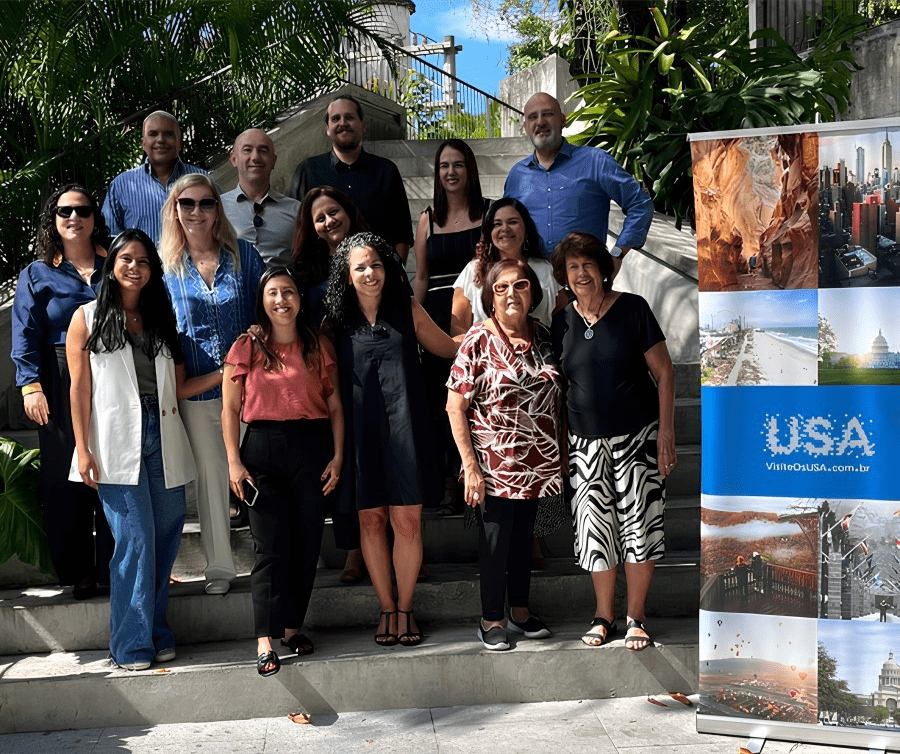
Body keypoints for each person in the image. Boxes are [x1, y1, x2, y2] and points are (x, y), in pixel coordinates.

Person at [66, 229, 197, 671]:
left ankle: (156, 630)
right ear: (112, 265)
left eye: (143, 261)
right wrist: (82, 449)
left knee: (163, 536)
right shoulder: (86, 318)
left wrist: (228, 371)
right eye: (126, 259)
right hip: (114, 440)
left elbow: (176, 388)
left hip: (162, 433)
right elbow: (79, 388)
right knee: (135, 540)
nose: (135, 267)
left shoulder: (160, 317)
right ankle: (130, 644)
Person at [324, 232, 457, 647]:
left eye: (377, 265)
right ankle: (385, 607)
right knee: (371, 520)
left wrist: (493, 329)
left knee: (406, 521)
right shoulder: (334, 322)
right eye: (360, 266)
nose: (370, 273)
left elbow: (449, 348)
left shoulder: (407, 307)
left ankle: (406, 608)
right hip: (360, 434)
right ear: (346, 275)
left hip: (406, 431)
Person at [550, 232, 675, 651]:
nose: (581, 273)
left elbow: (665, 373)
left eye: (588, 264)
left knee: (640, 527)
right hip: (584, 444)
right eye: (573, 267)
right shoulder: (562, 319)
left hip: (637, 437)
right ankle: (603, 615)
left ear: (603, 269)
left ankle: (635, 616)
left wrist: (666, 434)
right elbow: (561, 387)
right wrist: (564, 445)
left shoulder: (633, 309)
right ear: (564, 276)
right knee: (594, 532)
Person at [222, 267, 344, 676]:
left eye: (288, 292)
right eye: (272, 293)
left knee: (307, 542)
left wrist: (338, 456)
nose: (281, 300)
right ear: (263, 302)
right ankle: (264, 639)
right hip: (262, 453)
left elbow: (336, 407)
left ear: (299, 298)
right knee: (271, 548)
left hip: (311, 449)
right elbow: (230, 409)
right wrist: (233, 463)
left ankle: (292, 628)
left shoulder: (318, 345)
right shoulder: (247, 347)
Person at [446, 259, 563, 651]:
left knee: (522, 540)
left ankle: (520, 611)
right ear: (490, 298)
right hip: (493, 466)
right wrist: (469, 467)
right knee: (495, 544)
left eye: (521, 285)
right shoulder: (477, 340)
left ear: (533, 293)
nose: (512, 294)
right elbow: (454, 407)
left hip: (539, 464)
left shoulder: (545, 337)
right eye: (502, 288)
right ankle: (491, 619)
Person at [160, 173, 266, 596]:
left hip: (251, 389)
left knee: (258, 472)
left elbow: (268, 308)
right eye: (188, 203)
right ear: (175, 210)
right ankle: (219, 566)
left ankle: (270, 557)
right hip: (198, 389)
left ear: (218, 209)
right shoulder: (166, 268)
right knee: (209, 475)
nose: (197, 211)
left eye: (207, 203)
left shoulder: (243, 254)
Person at [11, 184, 114, 599]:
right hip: (57, 377)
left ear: (95, 217)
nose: (75, 218)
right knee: (65, 474)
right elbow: (25, 332)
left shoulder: (115, 263)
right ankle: (79, 570)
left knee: (114, 467)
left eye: (83, 210)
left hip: (113, 372)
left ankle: (116, 564)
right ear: (52, 220)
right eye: (65, 211)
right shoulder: (36, 274)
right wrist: (30, 385)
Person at [413, 139, 488, 516]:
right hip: (437, 320)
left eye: (458, 164)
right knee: (441, 400)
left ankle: (480, 476)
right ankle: (446, 479)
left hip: (478, 314)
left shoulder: (488, 213)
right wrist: (416, 322)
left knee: (476, 399)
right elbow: (423, 277)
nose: (451, 172)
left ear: (470, 170)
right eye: (444, 165)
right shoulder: (428, 217)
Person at [504, 93, 654, 277]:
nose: (540, 122)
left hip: (586, 280)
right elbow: (506, 225)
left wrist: (617, 254)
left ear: (563, 120)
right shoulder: (517, 176)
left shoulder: (595, 162)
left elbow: (640, 204)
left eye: (548, 114)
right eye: (532, 117)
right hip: (534, 283)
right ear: (526, 127)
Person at [291, 95, 413, 262]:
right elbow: (298, 231)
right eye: (336, 119)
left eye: (349, 117)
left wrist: (395, 274)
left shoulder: (386, 170)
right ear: (327, 129)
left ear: (363, 126)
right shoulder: (308, 170)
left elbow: (402, 234)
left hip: (375, 278)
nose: (343, 123)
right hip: (322, 278)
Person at [450, 198, 564, 336]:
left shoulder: (545, 270)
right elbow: (459, 328)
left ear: (526, 227)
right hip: (486, 355)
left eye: (513, 222)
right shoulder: (473, 270)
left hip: (537, 354)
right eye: (497, 224)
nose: (505, 229)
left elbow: (561, 314)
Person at [102, 111, 206, 245]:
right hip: (142, 266)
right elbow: (111, 239)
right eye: (153, 134)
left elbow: (219, 229)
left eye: (168, 134)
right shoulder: (121, 185)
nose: (161, 140)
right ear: (144, 143)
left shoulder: (202, 181)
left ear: (179, 142)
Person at [220, 128, 300, 267]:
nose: (255, 157)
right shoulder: (216, 208)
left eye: (263, 150)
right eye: (247, 150)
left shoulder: (296, 210)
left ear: (273, 161)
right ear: (234, 159)